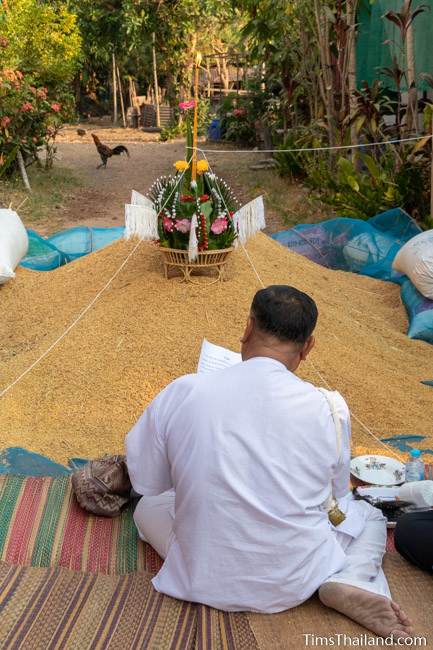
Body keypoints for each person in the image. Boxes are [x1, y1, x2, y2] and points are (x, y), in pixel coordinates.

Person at [126, 285, 412, 639]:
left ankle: (339, 579)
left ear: (247, 328)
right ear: (307, 347)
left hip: (201, 573)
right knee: (368, 515)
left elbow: (148, 483)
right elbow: (336, 495)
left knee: (146, 507)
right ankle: (347, 578)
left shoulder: (184, 391)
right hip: (294, 579)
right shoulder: (329, 407)